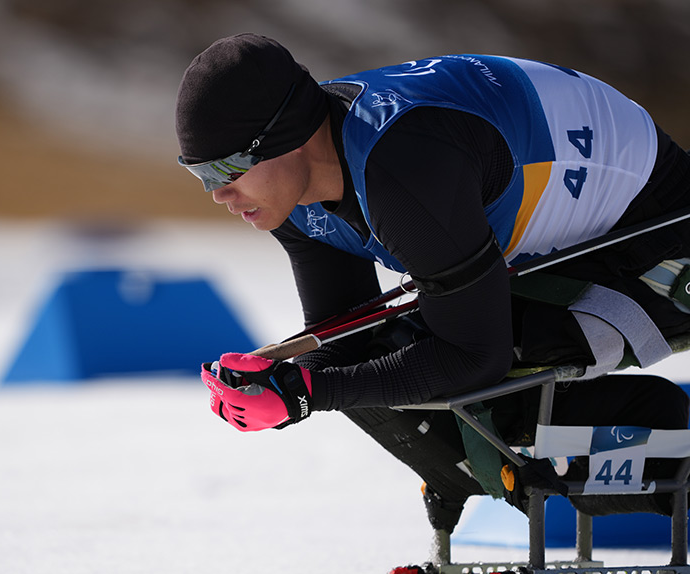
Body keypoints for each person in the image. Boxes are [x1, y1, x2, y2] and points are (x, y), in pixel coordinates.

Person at [176, 34, 690, 531]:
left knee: (488, 377)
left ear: (287, 138)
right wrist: (283, 380)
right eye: (201, 175)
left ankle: (669, 455)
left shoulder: (404, 168)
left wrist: (308, 393)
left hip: (660, 241)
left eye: (228, 169)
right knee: (397, 355)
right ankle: (479, 475)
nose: (218, 194)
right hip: (568, 243)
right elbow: (346, 335)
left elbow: (474, 357)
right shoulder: (298, 189)